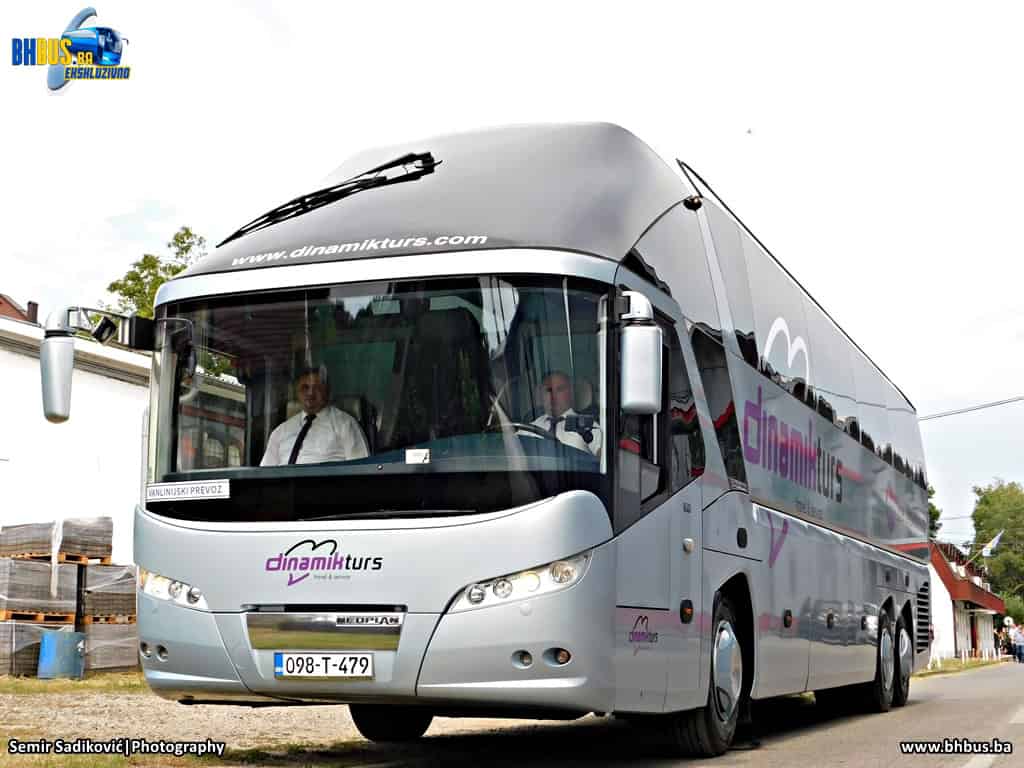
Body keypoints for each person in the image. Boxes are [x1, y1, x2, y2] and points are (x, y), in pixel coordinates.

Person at [260, 367, 370, 466]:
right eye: (305, 388)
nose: (310, 393)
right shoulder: (280, 432)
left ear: (327, 391)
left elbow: (361, 469)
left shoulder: (345, 424)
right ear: (297, 392)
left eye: (317, 387)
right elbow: (265, 472)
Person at [529, 370, 602, 459]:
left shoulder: (587, 426)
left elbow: (603, 460)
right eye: (549, 390)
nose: (553, 396)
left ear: (571, 393)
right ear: (541, 395)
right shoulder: (530, 427)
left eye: (560, 389)